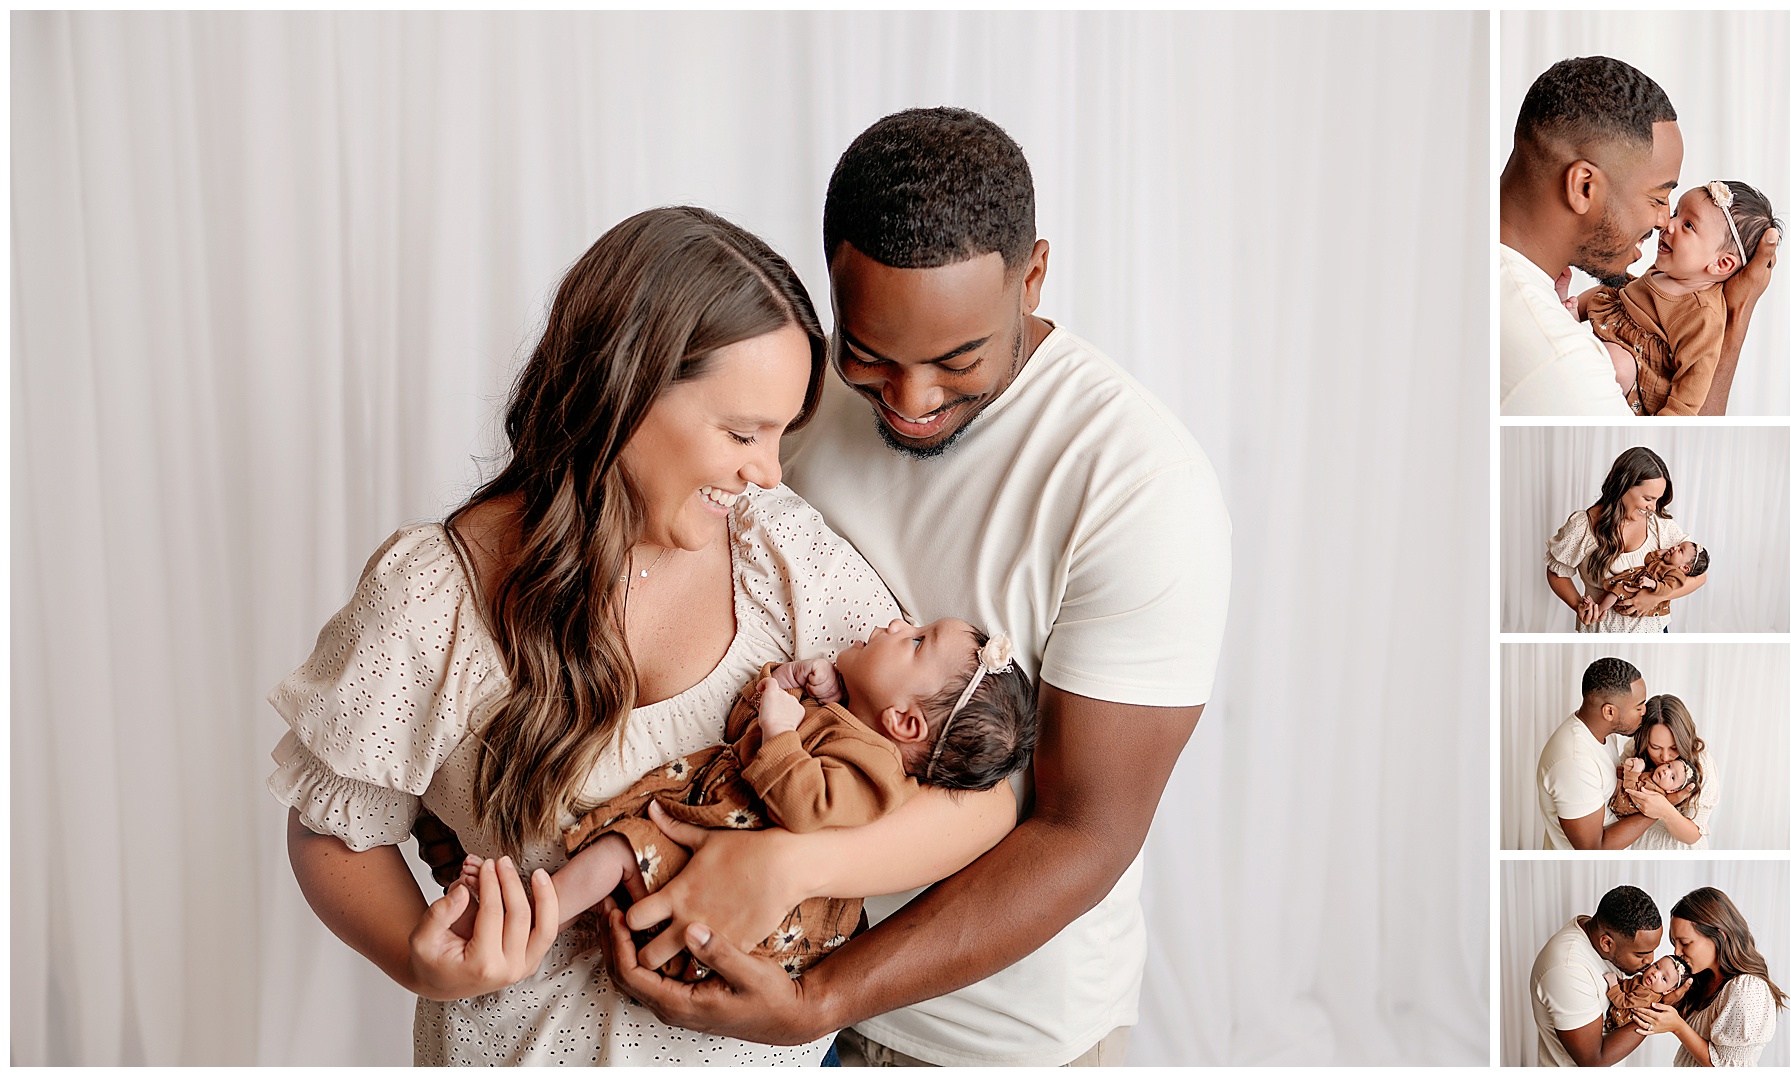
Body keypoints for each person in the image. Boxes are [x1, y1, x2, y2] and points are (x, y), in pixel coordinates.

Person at [268, 206, 1016, 1064]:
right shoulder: (433, 596)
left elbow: (978, 799)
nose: (768, 470)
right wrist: (420, 960)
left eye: (782, 434)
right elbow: (333, 831)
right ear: (622, 395)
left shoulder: (781, 553)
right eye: (743, 432)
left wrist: (786, 867)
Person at [594, 107, 1231, 1067]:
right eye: (871, 355)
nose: (910, 399)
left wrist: (821, 990)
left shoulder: (1137, 486)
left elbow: (1084, 831)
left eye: (957, 360)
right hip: (761, 987)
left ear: (1034, 277)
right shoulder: (789, 401)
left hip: (982, 1039)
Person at [473, 620, 1034, 975]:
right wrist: (784, 682)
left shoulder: (878, 772)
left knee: (622, 849)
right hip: (718, 836)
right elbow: (741, 730)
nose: (897, 623)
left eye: (916, 640)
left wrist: (783, 729)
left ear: (904, 723)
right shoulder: (842, 719)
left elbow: (805, 806)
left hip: (735, 876)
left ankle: (527, 921)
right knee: (620, 855)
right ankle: (531, 914)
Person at [1499, 56, 1778, 416]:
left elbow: (1688, 397)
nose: (1664, 222)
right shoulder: (1563, 365)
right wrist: (1738, 314)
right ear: (1584, 187)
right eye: (1659, 199)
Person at [1576, 181, 1781, 414]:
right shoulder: (1669, 271)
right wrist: (1576, 309)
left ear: (1721, 264)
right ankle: (1568, 313)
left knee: (1618, 364)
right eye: (1675, 214)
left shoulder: (1703, 315)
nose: (1668, 224)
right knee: (1607, 290)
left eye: (1688, 225)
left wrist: (1671, 419)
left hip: (1634, 377)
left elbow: (1693, 384)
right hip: (1613, 335)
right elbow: (1618, 297)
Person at [1544, 446, 1705, 633]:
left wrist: (1655, 597)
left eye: (1657, 499)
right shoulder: (1582, 526)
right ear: (1623, 486)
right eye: (1648, 498)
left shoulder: (1660, 527)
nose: (1653, 507)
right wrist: (1578, 605)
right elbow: (1557, 573)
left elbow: (1699, 576)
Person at [1534, 656, 1679, 850]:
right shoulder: (1575, 762)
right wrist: (1661, 807)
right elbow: (1594, 848)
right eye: (1638, 707)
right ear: (1609, 712)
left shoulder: (1602, 734)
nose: (1645, 711)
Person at [1634, 887, 1786, 1066]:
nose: (1677, 952)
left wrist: (1678, 1027)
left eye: (1685, 943)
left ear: (1719, 935)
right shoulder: (1701, 978)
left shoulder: (1748, 989)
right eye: (1675, 943)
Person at [1530, 884, 1663, 1066]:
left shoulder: (1599, 933)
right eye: (1641, 954)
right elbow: (1593, 1062)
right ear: (1606, 943)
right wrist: (1658, 1009)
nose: (1650, 960)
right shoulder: (1567, 970)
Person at [1624, 695, 1718, 851]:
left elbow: (1693, 836)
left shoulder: (1702, 764)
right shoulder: (1635, 749)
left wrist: (1665, 809)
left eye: (1674, 748)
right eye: (1655, 747)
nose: (1665, 757)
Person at [1592, 540, 1706, 618]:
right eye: (1678, 545)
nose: (1675, 547)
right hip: (1637, 582)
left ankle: (1599, 610)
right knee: (1615, 588)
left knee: (1618, 590)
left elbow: (1667, 589)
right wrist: (1659, 553)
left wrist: (1653, 584)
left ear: (1684, 568)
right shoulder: (1663, 561)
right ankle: (1598, 606)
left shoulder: (1676, 575)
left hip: (1644, 590)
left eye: (1680, 550)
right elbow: (1648, 560)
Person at [1605, 954, 1692, 1033]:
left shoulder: (1646, 995)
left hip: (1616, 1018)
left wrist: (1613, 984)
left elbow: (1622, 1003)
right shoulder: (1644, 981)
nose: (1655, 974)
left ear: (1668, 991)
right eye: (1656, 966)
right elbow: (1627, 985)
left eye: (1664, 978)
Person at [1608, 756, 1693, 818]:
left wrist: (1633, 772)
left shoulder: (1655, 792)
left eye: (1673, 777)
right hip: (1622, 790)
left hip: (1619, 803)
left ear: (1671, 791)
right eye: (1669, 766)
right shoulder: (1653, 774)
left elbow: (1631, 790)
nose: (1666, 771)